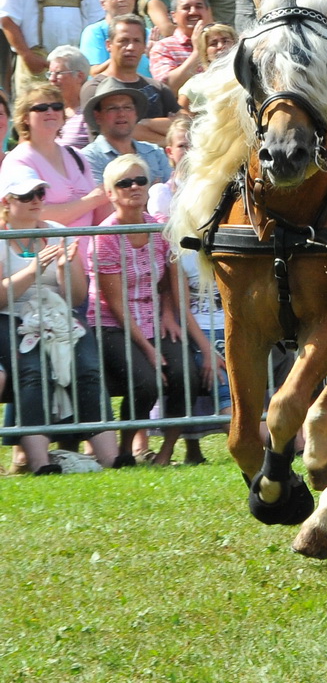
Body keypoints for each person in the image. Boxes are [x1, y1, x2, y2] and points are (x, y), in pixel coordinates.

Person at [87, 153, 207, 465]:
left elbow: (169, 282)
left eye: (140, 180)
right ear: (110, 193)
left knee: (187, 374)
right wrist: (149, 351)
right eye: (124, 183)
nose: (134, 187)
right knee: (145, 380)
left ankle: (166, 453)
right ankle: (127, 450)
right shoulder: (105, 237)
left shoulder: (160, 230)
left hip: (154, 317)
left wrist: (168, 312)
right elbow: (115, 305)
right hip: (112, 324)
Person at [0, 161, 117, 474]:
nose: (37, 199)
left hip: (59, 313)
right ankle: (39, 462)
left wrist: (66, 269)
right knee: (32, 370)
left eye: (40, 192)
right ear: (6, 202)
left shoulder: (59, 233)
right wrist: (32, 270)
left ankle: (111, 457)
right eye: (27, 195)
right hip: (10, 315)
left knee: (89, 367)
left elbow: (77, 296)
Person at [3, 82, 107, 227]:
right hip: (48, 248)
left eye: (57, 107)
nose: (50, 111)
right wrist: (93, 200)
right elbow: (32, 216)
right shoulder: (18, 161)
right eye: (41, 108)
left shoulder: (75, 156)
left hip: (86, 248)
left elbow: (98, 211)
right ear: (25, 117)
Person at [95, 14, 175, 141]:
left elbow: (183, 124)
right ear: (109, 45)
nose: (131, 47)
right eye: (124, 41)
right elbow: (118, 133)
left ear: (144, 46)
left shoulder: (158, 87)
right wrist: (168, 140)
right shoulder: (96, 88)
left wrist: (145, 124)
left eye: (136, 41)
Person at [80, 0, 148, 78]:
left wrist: (155, 54)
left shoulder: (147, 33)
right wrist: (124, 55)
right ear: (103, 4)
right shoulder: (94, 32)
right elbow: (94, 73)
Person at [148, 0, 211, 96]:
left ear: (207, 12)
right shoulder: (163, 47)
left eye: (199, 6)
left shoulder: (220, 43)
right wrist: (197, 53)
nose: (193, 12)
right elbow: (168, 88)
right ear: (174, 16)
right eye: (186, 7)